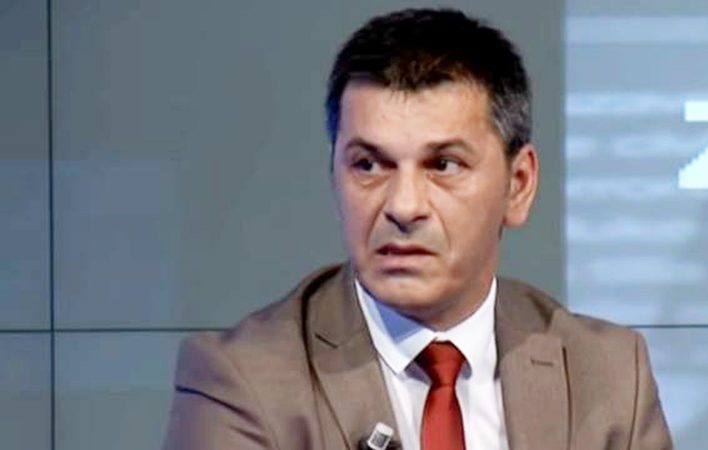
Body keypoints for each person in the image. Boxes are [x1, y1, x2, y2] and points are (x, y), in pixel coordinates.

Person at [162, 8, 673, 450]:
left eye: (443, 165)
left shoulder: (607, 376)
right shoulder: (242, 381)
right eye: (368, 165)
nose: (403, 206)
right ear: (334, 176)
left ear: (518, 185)